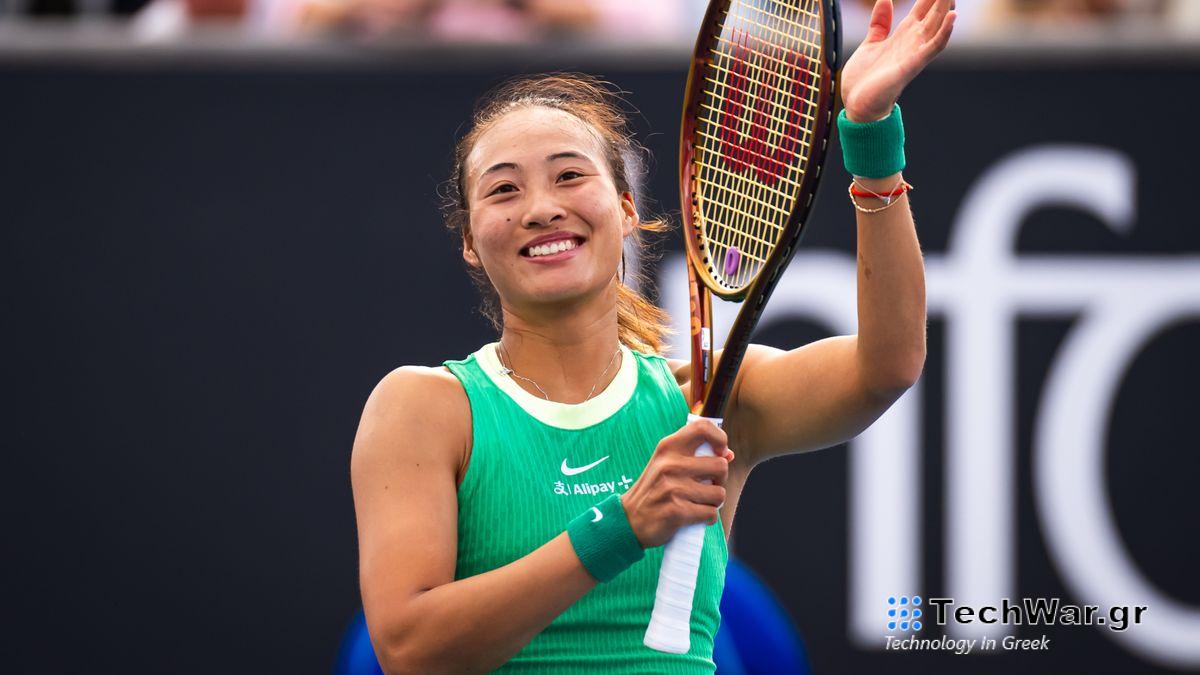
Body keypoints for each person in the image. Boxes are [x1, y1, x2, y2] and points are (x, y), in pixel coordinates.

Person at [350, 1, 955, 671]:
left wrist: (870, 138)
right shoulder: (422, 408)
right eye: (503, 191)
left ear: (628, 209)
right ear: (469, 242)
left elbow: (889, 363)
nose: (542, 207)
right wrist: (623, 525)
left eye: (571, 175)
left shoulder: (709, 399)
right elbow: (408, 647)